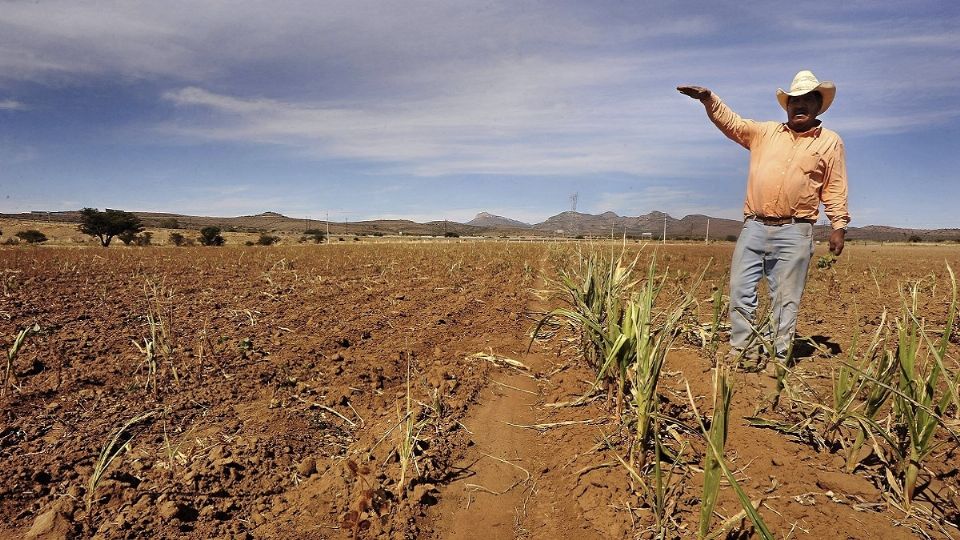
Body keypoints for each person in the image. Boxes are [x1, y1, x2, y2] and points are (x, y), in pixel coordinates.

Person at [677, 70, 850, 367]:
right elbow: (732, 123)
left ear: (818, 106)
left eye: (808, 100)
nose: (800, 105)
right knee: (741, 292)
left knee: (785, 299)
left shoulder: (830, 142)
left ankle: (776, 358)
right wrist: (709, 99)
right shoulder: (764, 132)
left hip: (796, 231)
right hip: (755, 226)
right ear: (787, 106)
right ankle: (743, 353)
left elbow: (834, 186)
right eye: (794, 100)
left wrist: (838, 225)